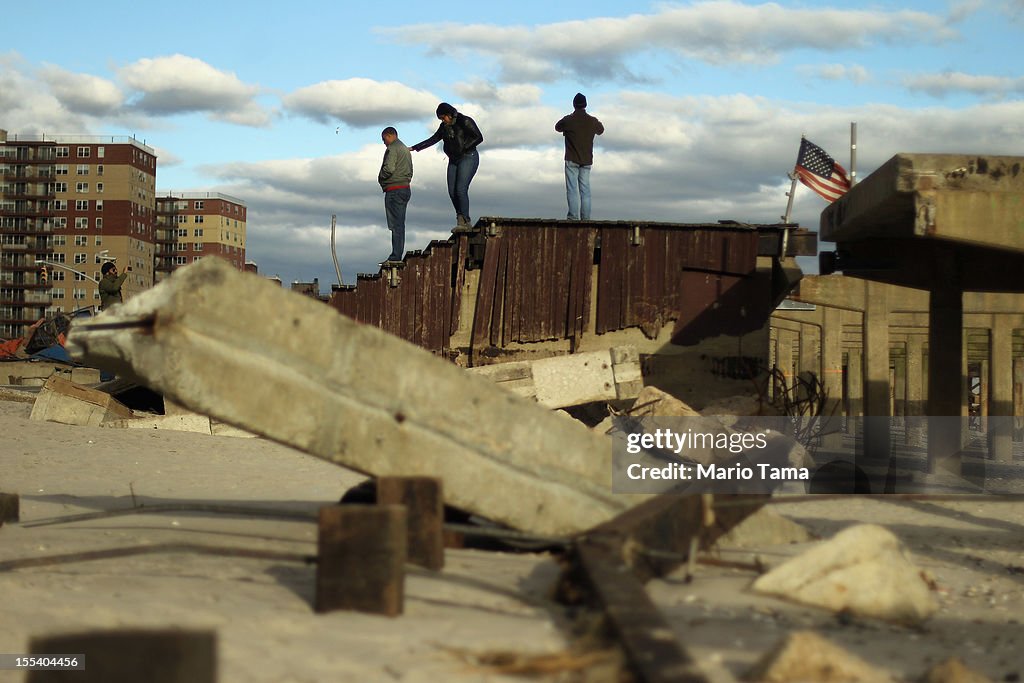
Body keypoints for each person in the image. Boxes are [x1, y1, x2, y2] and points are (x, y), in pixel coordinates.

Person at [410, 102, 483, 228]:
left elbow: (478, 137)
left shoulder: (464, 121)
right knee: (452, 191)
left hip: (468, 157)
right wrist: (415, 147)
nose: (443, 121)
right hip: (453, 160)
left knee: (460, 189)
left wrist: (464, 148)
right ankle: (460, 216)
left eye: (444, 118)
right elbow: (433, 139)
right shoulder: (444, 127)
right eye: (441, 119)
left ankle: (465, 220)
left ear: (450, 114)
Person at [555, 92, 604, 220]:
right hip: (586, 160)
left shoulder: (568, 120)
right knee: (585, 191)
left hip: (571, 159)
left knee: (572, 190)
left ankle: (573, 217)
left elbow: (557, 127)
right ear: (585, 105)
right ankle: (586, 218)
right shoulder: (592, 121)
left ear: (574, 105)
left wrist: (568, 118)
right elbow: (601, 130)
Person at [378, 126, 413, 263]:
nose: (384, 142)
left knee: (395, 225)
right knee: (400, 224)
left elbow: (389, 168)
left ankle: (395, 255)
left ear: (389, 136)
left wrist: (381, 177)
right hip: (405, 187)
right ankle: (397, 254)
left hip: (394, 189)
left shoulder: (392, 149)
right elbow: (411, 170)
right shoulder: (405, 149)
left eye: (384, 139)